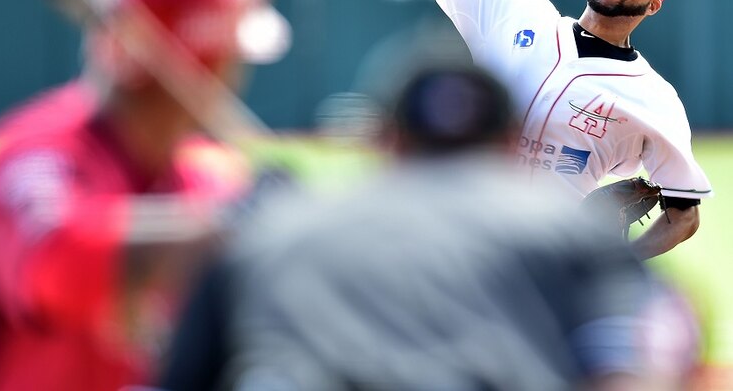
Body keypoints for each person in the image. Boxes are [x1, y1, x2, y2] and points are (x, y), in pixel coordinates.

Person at [158, 63, 700, 391]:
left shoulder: (278, 234)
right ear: (512, 144)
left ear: (384, 140)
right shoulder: (563, 237)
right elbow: (649, 355)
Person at [0, 0, 289, 391]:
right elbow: (55, 266)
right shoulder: (36, 152)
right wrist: (237, 226)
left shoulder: (204, 179)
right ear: (209, 58)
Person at [419, 0, 712, 259]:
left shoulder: (654, 97)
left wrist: (617, 263)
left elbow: (685, 215)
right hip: (454, 227)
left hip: (543, 254)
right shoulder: (522, 15)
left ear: (653, 5)